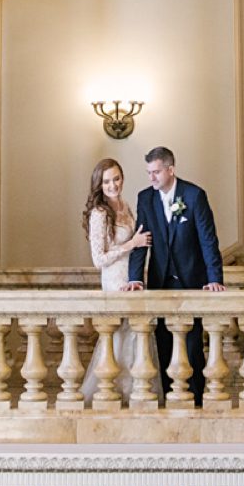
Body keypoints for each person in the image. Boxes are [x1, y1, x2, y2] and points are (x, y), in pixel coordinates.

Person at [124, 145, 224, 406]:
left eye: (156, 172)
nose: (151, 177)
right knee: (163, 341)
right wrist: (135, 278)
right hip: (160, 281)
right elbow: (141, 241)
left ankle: (196, 397)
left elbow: (208, 240)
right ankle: (170, 396)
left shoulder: (194, 195)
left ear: (170, 170)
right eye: (149, 172)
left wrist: (214, 278)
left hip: (192, 280)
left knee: (192, 343)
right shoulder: (145, 198)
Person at [81, 157, 152, 401]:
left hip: (132, 279)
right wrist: (131, 244)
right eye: (107, 182)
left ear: (123, 178)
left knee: (135, 335)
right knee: (118, 336)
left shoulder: (125, 205)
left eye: (117, 179)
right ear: (99, 185)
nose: (113, 185)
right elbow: (98, 259)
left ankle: (135, 389)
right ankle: (113, 389)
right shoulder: (99, 213)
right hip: (114, 281)